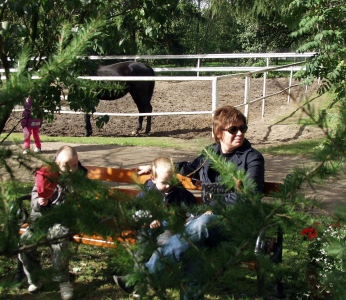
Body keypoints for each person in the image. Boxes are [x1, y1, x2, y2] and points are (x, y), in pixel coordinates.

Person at [137, 105, 265, 299]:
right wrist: (155, 166)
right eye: (233, 129)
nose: (240, 133)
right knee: (196, 247)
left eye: (243, 128)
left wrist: (212, 210)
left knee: (201, 225)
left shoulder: (253, 159)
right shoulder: (209, 154)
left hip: (234, 225)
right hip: (202, 225)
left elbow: (249, 194)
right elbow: (188, 168)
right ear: (218, 133)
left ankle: (146, 273)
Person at [113, 157, 197, 296]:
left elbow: (191, 212)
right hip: (148, 229)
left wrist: (182, 219)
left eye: (171, 181)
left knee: (164, 245)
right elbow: (136, 212)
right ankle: (139, 279)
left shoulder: (180, 194)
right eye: (164, 183)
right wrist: (146, 218)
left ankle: (142, 281)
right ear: (153, 178)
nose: (168, 186)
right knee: (142, 244)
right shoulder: (147, 193)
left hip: (169, 230)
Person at [18, 145, 87, 300]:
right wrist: (40, 202)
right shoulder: (46, 174)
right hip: (43, 218)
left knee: (58, 236)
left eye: (75, 165)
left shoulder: (79, 177)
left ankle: (63, 281)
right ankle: (36, 277)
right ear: (56, 163)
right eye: (66, 166)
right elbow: (35, 197)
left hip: (64, 219)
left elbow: (81, 203)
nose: (71, 170)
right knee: (26, 240)